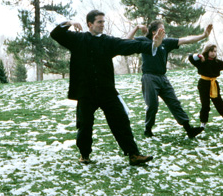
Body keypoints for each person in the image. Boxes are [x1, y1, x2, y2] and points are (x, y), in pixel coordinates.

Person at [50, 10, 165, 166]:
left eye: (104, 22)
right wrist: (68, 23)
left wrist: (153, 45)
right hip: (86, 92)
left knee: (121, 121)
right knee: (84, 125)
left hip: (106, 90)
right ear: (90, 24)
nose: (103, 25)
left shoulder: (108, 41)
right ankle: (84, 155)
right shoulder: (77, 39)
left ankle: (133, 154)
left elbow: (129, 45)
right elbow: (56, 34)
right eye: (99, 22)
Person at [126, 21, 213, 138]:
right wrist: (137, 27)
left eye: (164, 29)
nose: (164, 31)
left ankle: (189, 129)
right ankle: (148, 129)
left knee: (174, 103)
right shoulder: (144, 41)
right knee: (152, 106)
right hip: (149, 77)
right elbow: (126, 41)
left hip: (162, 77)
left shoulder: (166, 43)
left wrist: (203, 35)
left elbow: (186, 40)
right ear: (153, 32)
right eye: (161, 29)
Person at [188, 43, 223, 128]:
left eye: (215, 51)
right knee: (205, 105)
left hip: (214, 85)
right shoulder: (201, 61)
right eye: (211, 51)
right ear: (207, 51)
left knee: (220, 104)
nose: (213, 53)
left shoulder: (217, 62)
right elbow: (190, 57)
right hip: (203, 84)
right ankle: (203, 123)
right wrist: (199, 56)